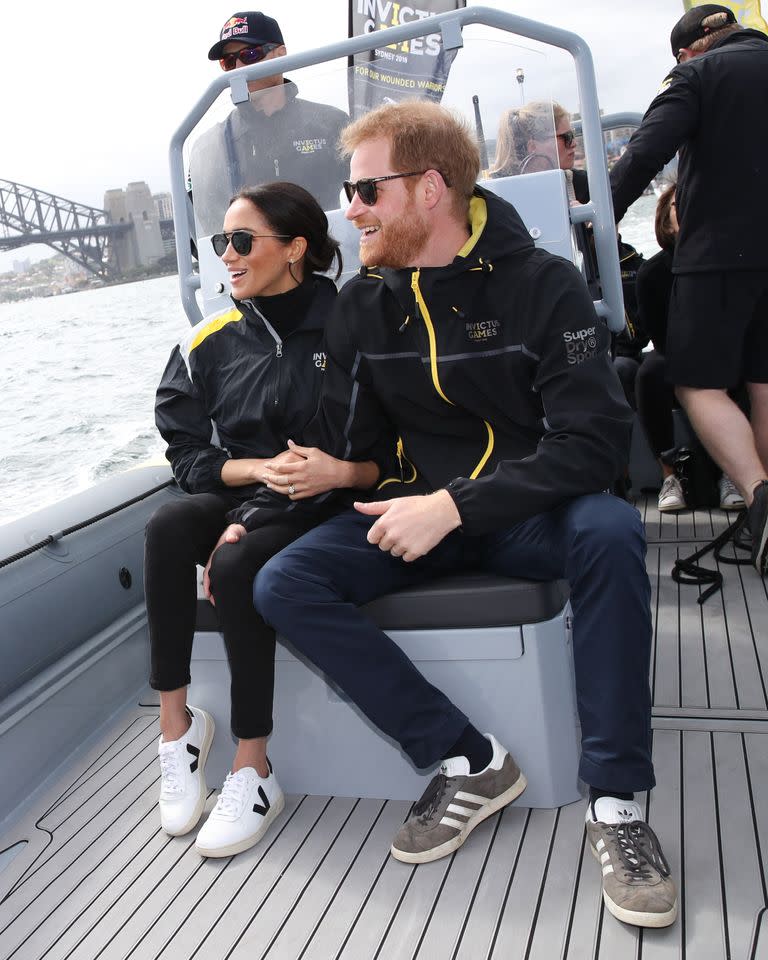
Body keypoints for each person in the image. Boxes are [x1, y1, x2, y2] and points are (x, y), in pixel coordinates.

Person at [252, 100, 677, 928]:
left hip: (523, 515)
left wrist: (452, 505)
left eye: (367, 190)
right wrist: (256, 515)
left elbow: (591, 448)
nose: (352, 210)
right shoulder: (364, 305)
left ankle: (617, 804)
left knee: (612, 529)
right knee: (283, 581)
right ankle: (467, 756)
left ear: (430, 188)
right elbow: (351, 451)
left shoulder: (542, 285)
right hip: (417, 513)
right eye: (349, 191)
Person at [146, 181, 381, 858]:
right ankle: (177, 731)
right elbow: (189, 455)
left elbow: (368, 446)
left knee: (239, 559)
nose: (228, 255)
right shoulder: (208, 341)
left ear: (297, 248)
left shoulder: (350, 325)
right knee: (167, 526)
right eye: (222, 242)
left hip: (329, 496)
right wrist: (254, 477)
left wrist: (247, 520)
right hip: (257, 482)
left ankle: (254, 767)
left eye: (242, 241)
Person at [610, 5, 768, 569]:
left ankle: (759, 499)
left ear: (688, 51)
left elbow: (643, 155)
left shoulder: (696, 76)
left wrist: (600, 215)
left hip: (717, 257)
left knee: (697, 384)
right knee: (763, 380)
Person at [188, 12, 349, 234]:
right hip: (257, 266)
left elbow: (368, 196)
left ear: (280, 55)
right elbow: (207, 235)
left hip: (327, 260)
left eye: (250, 54)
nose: (239, 68)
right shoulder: (210, 147)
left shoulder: (332, 123)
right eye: (228, 61)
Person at [489, 101, 589, 203]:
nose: (573, 143)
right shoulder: (499, 197)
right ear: (533, 146)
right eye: (566, 137)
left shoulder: (586, 185)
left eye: (572, 135)